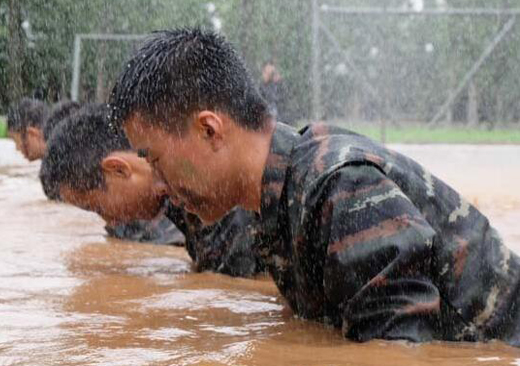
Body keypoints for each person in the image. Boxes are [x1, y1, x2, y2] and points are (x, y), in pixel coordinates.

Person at [109, 27, 520, 346]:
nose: (160, 185)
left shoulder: (337, 185)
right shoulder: (272, 201)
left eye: (156, 160)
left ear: (209, 129)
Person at [40, 103, 264, 276]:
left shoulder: (210, 198)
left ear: (118, 169)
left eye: (97, 207)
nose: (110, 221)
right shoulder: (180, 199)